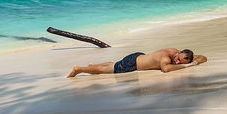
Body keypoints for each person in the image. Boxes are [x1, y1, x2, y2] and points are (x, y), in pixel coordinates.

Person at [67, 48, 207, 77]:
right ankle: (79, 69)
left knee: (113, 64)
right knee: (107, 70)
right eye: (177, 59)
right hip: (133, 64)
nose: (176, 62)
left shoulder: (176, 51)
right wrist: (186, 66)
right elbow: (166, 69)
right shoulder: (166, 58)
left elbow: (202, 57)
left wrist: (197, 62)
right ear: (178, 53)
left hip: (138, 56)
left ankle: (92, 65)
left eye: (179, 61)